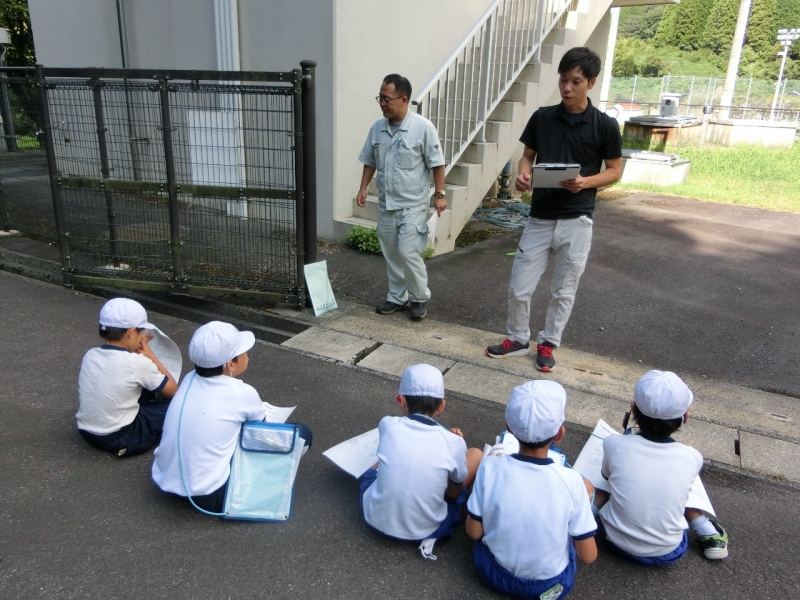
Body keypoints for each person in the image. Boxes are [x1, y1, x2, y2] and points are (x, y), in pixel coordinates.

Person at [486, 47, 623, 372]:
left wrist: (585, 182)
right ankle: (518, 339)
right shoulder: (542, 117)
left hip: (577, 220)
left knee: (564, 290)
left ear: (591, 82)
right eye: (563, 80)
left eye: (575, 81)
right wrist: (523, 175)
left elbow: (615, 170)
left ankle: (548, 344)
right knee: (520, 286)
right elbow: (527, 157)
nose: (567, 88)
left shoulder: (604, 125)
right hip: (539, 218)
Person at [151, 321, 313, 514]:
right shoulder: (240, 392)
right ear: (230, 364)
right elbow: (261, 430)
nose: (248, 356)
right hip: (210, 496)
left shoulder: (189, 378)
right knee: (303, 433)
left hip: (166, 479)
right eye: (243, 352)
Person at [466, 380, 597, 599]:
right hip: (550, 587)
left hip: (493, 573)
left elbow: (473, 532)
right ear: (560, 434)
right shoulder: (572, 481)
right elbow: (588, 556)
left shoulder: (490, 466)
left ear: (508, 427)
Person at [593, 370, 729, 564]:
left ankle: (589, 517)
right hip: (667, 551)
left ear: (632, 409)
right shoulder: (691, 456)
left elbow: (606, 477)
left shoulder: (614, 444)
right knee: (677, 489)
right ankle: (706, 530)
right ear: (686, 417)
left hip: (613, 540)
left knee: (611, 483)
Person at [360, 364, 483, 559]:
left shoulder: (387, 424)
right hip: (429, 528)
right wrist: (454, 442)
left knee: (380, 462)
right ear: (441, 406)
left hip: (375, 516)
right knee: (475, 454)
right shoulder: (454, 442)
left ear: (401, 401)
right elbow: (453, 493)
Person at [357, 74, 447, 320]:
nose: (383, 103)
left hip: (413, 204)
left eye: (386, 98)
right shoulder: (377, 128)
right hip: (387, 203)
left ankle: (418, 297)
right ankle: (398, 297)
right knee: (391, 252)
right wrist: (363, 188)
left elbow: (437, 164)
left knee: (408, 252)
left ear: (404, 99)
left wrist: (439, 194)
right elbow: (369, 160)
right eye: (380, 98)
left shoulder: (423, 128)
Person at [76, 298, 178, 457]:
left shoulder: (90, 355)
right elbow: (174, 392)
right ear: (131, 332)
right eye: (141, 332)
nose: (142, 336)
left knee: (140, 386)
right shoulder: (136, 363)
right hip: (122, 437)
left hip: (87, 432)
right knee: (179, 406)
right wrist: (151, 356)